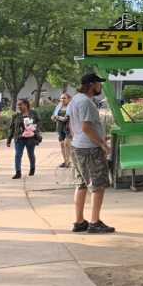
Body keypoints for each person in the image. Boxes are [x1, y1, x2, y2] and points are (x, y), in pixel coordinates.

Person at [67, 72, 115, 234]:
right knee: (98, 184)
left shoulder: (75, 100)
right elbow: (85, 126)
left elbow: (72, 125)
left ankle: (80, 221)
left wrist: (76, 138)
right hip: (89, 149)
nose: (100, 86)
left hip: (78, 147)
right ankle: (95, 222)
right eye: (98, 84)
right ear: (91, 85)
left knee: (81, 184)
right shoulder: (86, 102)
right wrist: (102, 143)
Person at [7, 98, 40, 179]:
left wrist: (34, 127)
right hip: (19, 137)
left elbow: (39, 122)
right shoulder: (15, 115)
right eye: (17, 105)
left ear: (26, 104)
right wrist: (9, 139)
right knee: (18, 155)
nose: (19, 106)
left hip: (31, 137)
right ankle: (18, 172)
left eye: (20, 104)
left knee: (30, 154)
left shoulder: (34, 113)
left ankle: (32, 168)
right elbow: (12, 127)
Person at [53, 93, 72, 168]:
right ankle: (65, 161)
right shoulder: (58, 106)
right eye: (61, 98)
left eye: (64, 98)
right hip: (60, 127)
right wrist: (54, 117)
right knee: (62, 144)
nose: (63, 100)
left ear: (68, 99)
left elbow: (67, 118)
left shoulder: (71, 107)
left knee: (66, 144)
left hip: (68, 128)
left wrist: (59, 117)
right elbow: (53, 116)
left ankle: (69, 160)